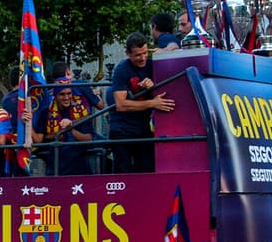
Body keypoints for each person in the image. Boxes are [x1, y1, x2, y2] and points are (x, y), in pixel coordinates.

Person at [109, 32, 174, 174]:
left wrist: (153, 88)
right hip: (122, 130)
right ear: (128, 53)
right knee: (123, 174)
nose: (143, 58)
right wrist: (152, 103)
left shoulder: (153, 65)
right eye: (138, 55)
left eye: (145, 53)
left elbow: (164, 95)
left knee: (147, 171)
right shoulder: (122, 69)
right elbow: (120, 105)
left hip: (144, 130)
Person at [31, 77, 94, 176]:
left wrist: (71, 129)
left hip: (80, 166)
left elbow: (88, 139)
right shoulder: (45, 112)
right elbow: (38, 140)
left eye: (69, 93)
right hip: (56, 166)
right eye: (62, 94)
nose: (66, 97)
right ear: (55, 95)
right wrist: (27, 123)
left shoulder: (82, 111)